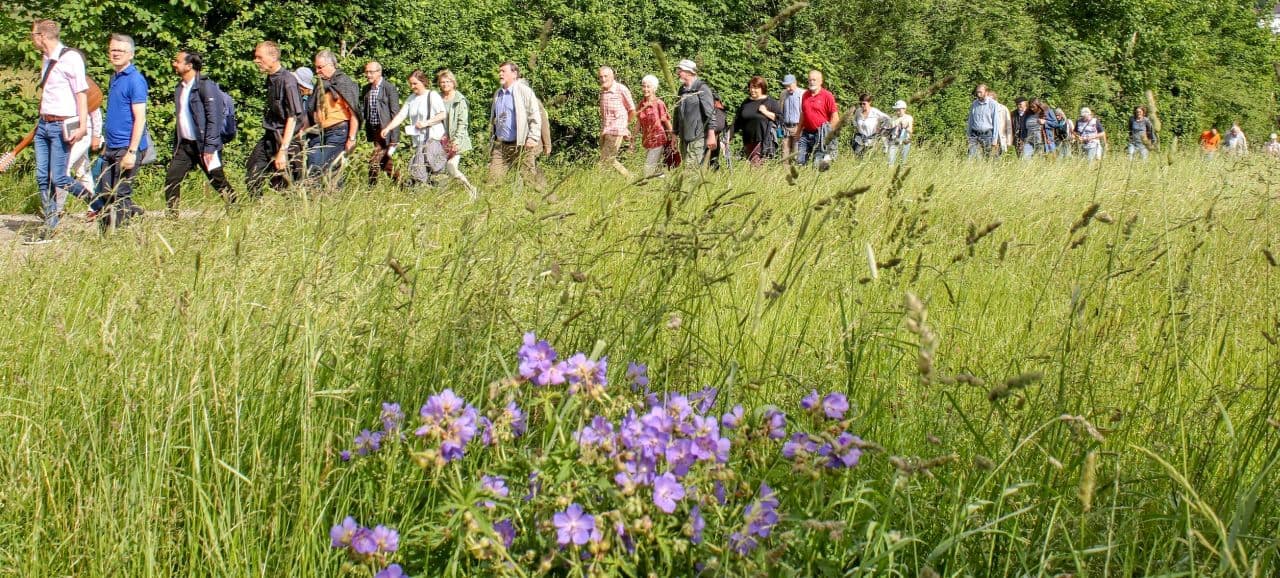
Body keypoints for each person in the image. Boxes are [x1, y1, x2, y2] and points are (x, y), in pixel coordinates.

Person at [19, 19, 94, 242]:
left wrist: (82, 126)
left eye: (33, 35)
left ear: (41, 36)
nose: (32, 39)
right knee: (43, 177)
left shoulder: (71, 58)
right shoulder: (46, 59)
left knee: (60, 177)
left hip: (62, 125)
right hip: (44, 124)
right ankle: (50, 226)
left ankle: (98, 202)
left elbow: (82, 93)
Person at [162, 49, 236, 214]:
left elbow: (214, 118)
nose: (174, 63)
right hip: (185, 146)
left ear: (189, 65)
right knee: (172, 179)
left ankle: (235, 207)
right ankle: (172, 219)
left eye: (178, 61)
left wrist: (210, 147)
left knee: (217, 180)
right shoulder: (180, 88)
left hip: (204, 145)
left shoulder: (205, 87)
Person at [97, 33, 151, 227]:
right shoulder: (115, 78)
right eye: (112, 49)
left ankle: (118, 236)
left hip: (127, 147)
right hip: (111, 146)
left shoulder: (135, 80)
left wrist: (132, 152)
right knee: (104, 192)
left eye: (120, 50)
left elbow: (140, 118)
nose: (115, 53)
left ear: (131, 54)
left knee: (120, 193)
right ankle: (107, 235)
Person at [245, 41, 304, 195]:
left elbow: (293, 117)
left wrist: (283, 151)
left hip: (286, 140)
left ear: (273, 57)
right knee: (252, 175)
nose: (256, 60)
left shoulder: (288, 81)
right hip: (269, 136)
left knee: (286, 185)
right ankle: (256, 211)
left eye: (259, 57)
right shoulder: (271, 79)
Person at [380, 70, 446, 187]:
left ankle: (429, 194)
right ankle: (426, 195)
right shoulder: (411, 98)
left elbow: (442, 115)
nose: (412, 86)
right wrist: (388, 128)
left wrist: (426, 123)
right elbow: (401, 115)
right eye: (410, 84)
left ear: (423, 82)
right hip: (419, 141)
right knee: (420, 171)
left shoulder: (432, 95)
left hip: (432, 140)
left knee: (427, 171)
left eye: (415, 83)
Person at [488, 61, 546, 190]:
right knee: (493, 180)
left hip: (521, 144)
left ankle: (535, 204)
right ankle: (495, 207)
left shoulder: (524, 91)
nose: (500, 74)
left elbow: (535, 115)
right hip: (501, 146)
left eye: (503, 71)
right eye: (499, 71)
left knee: (528, 180)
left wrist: (533, 137)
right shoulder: (498, 93)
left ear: (514, 74)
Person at [307, 50, 361, 181]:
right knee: (314, 166)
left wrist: (352, 138)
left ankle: (334, 197)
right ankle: (320, 197)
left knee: (328, 167)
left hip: (338, 132)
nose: (317, 71)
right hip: (318, 132)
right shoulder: (320, 85)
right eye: (316, 67)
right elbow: (311, 108)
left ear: (331, 65)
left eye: (320, 67)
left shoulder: (344, 83)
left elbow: (354, 113)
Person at [436, 69, 479, 197]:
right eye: (442, 82)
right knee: (440, 170)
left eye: (448, 81)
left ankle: (471, 190)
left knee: (451, 166)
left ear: (453, 82)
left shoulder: (460, 100)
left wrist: (455, 142)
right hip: (441, 140)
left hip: (456, 140)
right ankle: (443, 195)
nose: (445, 84)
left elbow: (463, 124)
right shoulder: (437, 98)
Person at [362, 61, 401, 185]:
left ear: (379, 72)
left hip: (386, 131)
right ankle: (402, 184)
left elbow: (395, 113)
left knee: (375, 159)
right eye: (366, 72)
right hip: (374, 130)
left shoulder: (389, 88)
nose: (368, 75)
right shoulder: (366, 89)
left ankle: (370, 188)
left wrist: (394, 137)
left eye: (371, 72)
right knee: (385, 162)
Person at [672, 59, 716, 169]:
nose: (678, 73)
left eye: (680, 70)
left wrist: (711, 135)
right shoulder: (682, 90)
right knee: (687, 168)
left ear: (688, 72)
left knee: (690, 169)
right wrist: (674, 134)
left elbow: (710, 113)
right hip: (684, 136)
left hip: (698, 136)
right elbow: (677, 113)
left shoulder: (702, 88)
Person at [731, 76, 781, 166]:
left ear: (762, 88)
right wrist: (728, 137)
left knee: (756, 167)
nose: (752, 90)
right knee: (754, 168)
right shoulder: (746, 102)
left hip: (762, 141)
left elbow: (780, 118)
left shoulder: (770, 102)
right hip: (747, 141)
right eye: (751, 87)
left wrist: (765, 112)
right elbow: (737, 121)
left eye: (755, 88)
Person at [795, 69, 839, 169]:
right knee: (800, 162)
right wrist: (798, 131)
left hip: (820, 134)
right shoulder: (805, 95)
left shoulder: (827, 95)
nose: (811, 82)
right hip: (806, 133)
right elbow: (803, 114)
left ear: (820, 81)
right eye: (810, 80)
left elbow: (835, 116)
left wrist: (829, 134)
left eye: (814, 80)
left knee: (816, 164)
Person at [598, 66, 636, 178]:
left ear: (612, 76)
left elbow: (632, 110)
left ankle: (600, 183)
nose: (603, 79)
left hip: (616, 130)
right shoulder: (603, 92)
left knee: (603, 162)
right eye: (601, 77)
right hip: (605, 129)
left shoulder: (621, 89)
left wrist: (624, 126)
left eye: (606, 76)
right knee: (609, 158)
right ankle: (630, 177)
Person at [636, 74, 673, 178]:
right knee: (655, 169)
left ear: (654, 88)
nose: (645, 89)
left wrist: (674, 137)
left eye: (648, 86)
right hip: (647, 140)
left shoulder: (659, 103)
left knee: (648, 168)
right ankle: (665, 183)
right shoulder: (641, 104)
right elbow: (638, 122)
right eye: (644, 86)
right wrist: (633, 137)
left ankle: (646, 190)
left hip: (658, 139)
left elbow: (666, 121)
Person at [851, 94, 891, 158]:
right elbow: (854, 120)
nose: (862, 106)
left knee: (869, 159)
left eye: (864, 104)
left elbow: (888, 119)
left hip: (871, 140)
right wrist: (856, 127)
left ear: (869, 102)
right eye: (860, 104)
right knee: (857, 159)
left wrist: (882, 129)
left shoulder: (874, 112)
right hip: (859, 140)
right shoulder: (858, 111)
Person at [966, 84, 998, 158]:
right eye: (977, 92)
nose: (978, 94)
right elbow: (970, 120)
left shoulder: (993, 104)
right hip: (974, 134)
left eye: (980, 92)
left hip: (987, 135)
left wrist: (995, 139)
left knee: (988, 157)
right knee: (971, 156)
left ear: (986, 92)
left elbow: (996, 122)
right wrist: (968, 135)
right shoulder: (974, 104)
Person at [778, 74, 803, 163]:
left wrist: (801, 128)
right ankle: (784, 173)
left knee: (796, 153)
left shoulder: (802, 94)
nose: (788, 88)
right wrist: (780, 125)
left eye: (790, 85)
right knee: (784, 153)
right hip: (786, 127)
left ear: (795, 83)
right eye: (786, 86)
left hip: (798, 127)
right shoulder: (783, 94)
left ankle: (797, 172)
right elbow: (780, 110)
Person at [886, 100, 913, 166]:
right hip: (894, 140)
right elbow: (889, 130)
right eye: (896, 110)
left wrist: (905, 127)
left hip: (905, 141)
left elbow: (911, 130)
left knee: (903, 161)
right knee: (890, 161)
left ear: (904, 109)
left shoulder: (909, 118)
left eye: (899, 110)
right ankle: (890, 173)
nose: (897, 112)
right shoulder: (893, 118)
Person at [988, 90, 1013, 156]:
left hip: (999, 135)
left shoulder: (1003, 108)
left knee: (997, 155)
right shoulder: (985, 108)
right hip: (988, 135)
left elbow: (1009, 125)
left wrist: (1009, 140)